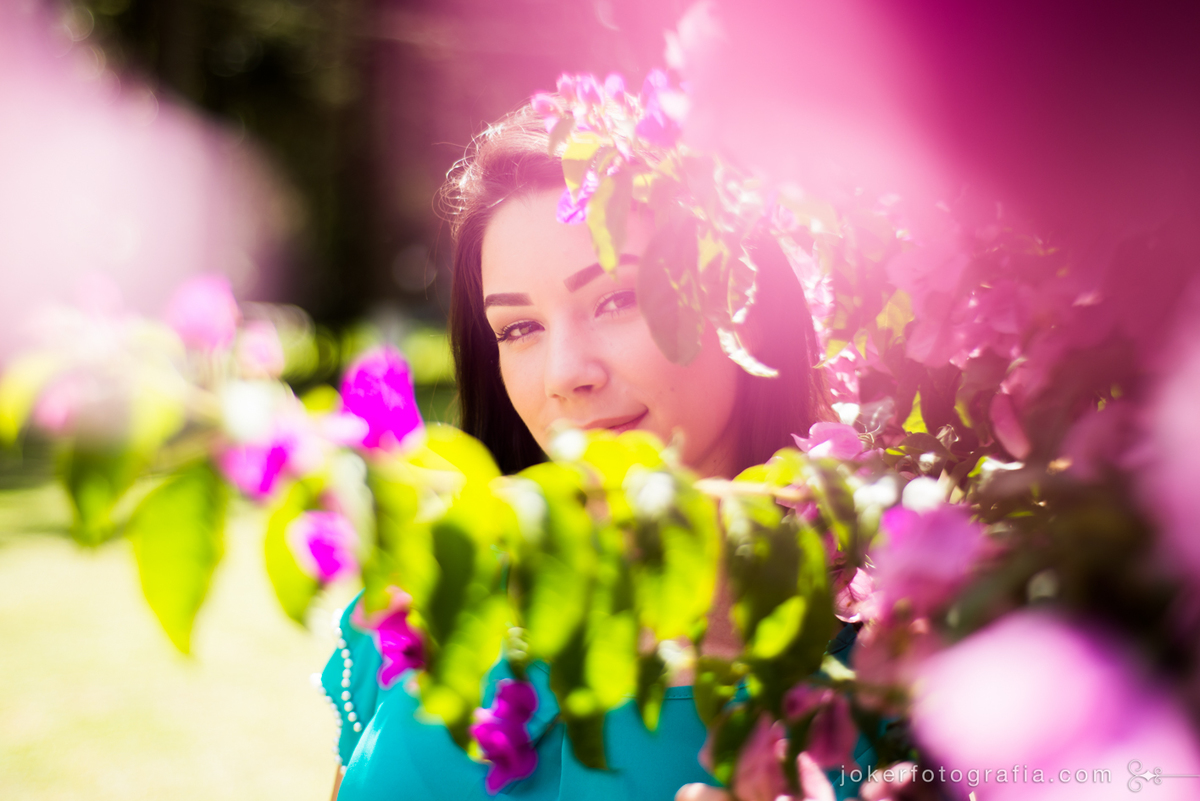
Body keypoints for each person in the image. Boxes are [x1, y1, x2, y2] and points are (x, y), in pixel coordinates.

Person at [322, 101, 854, 801]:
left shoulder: (893, 671)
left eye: (616, 299)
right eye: (518, 329)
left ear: (744, 305)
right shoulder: (420, 607)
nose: (564, 373)